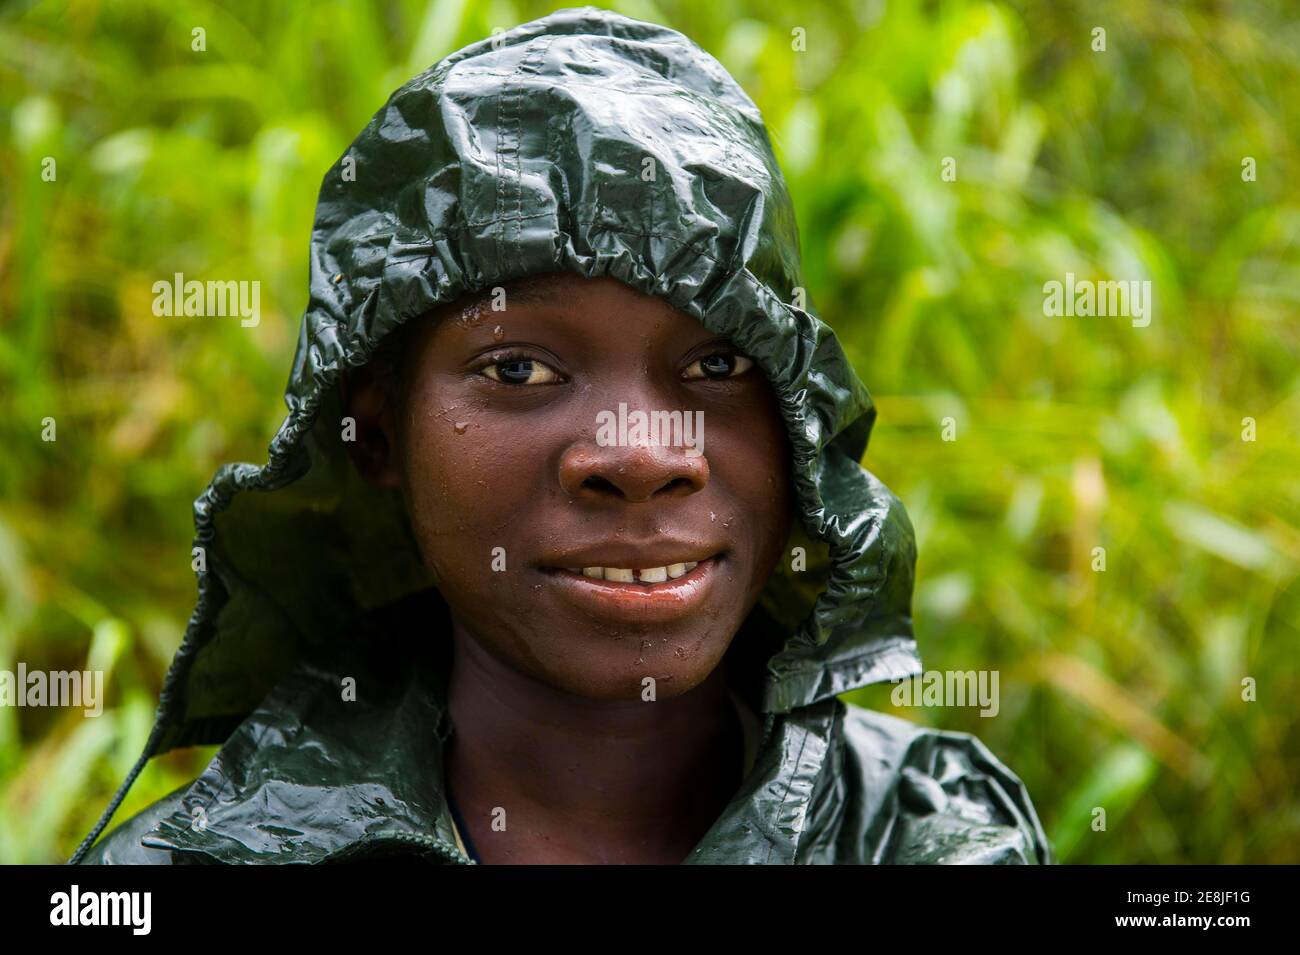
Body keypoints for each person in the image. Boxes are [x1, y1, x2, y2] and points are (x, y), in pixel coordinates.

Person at [72, 6, 1052, 865]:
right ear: (375, 437)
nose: (641, 453)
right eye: (518, 369)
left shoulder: (928, 836)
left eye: (718, 365)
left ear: (798, 423)